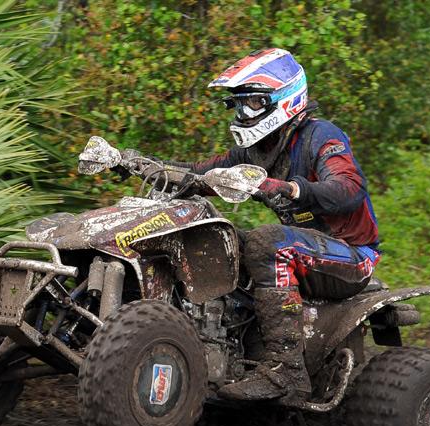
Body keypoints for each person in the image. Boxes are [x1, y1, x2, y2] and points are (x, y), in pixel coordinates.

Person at [160, 48, 380, 402]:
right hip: (307, 249)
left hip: (352, 255)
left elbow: (349, 188)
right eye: (238, 105)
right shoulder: (255, 151)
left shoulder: (321, 136)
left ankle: (286, 371)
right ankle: (222, 350)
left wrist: (291, 188)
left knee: (267, 242)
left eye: (254, 103)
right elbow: (201, 173)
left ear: (285, 99)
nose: (243, 114)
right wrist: (136, 162)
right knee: (219, 238)